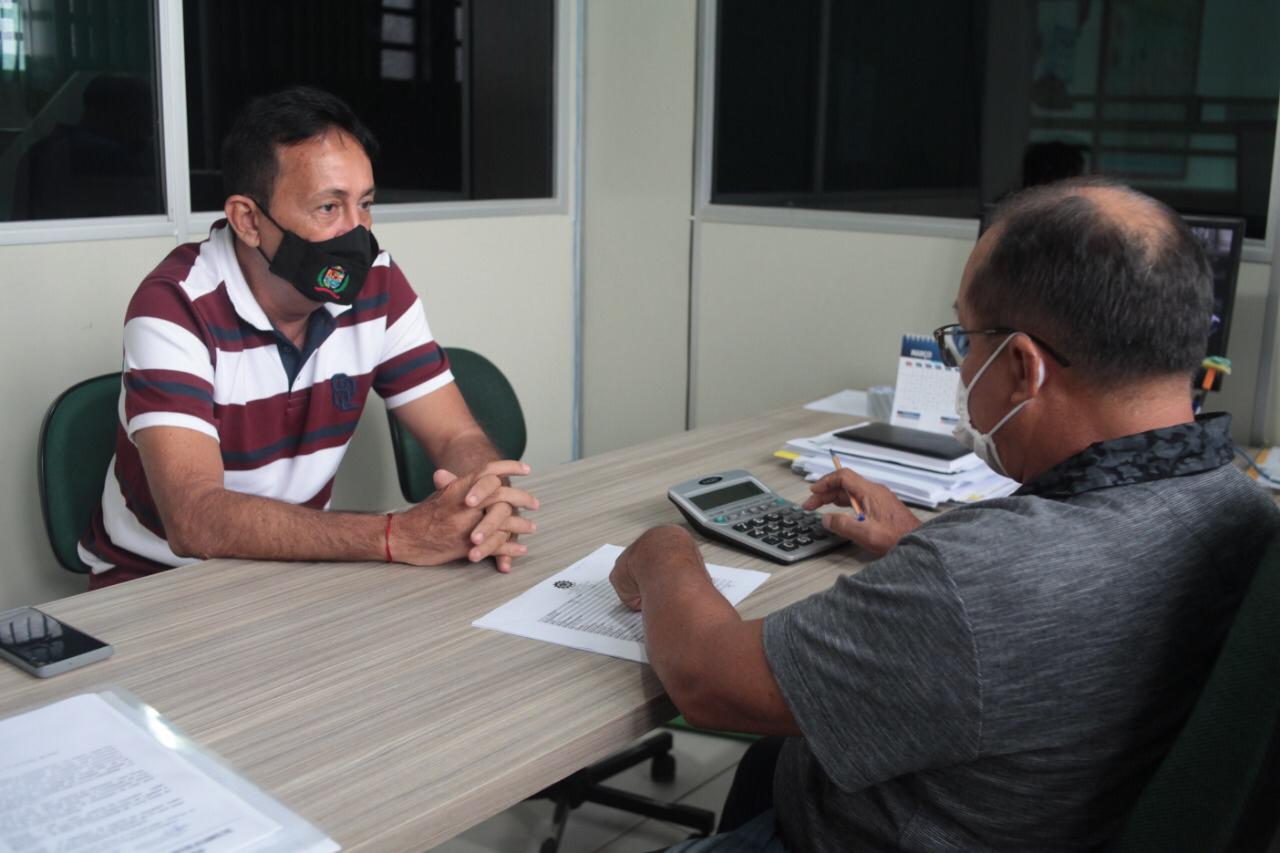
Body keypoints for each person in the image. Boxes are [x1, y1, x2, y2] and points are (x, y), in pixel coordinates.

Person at [610, 177, 1280, 851]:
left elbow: (708, 679)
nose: (961, 369)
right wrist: (921, 542)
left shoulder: (988, 577)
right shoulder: (1244, 508)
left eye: (967, 340)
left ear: (1023, 367)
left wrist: (663, 550)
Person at [80, 86, 536, 588]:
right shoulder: (175, 305)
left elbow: (457, 436)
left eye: (364, 204)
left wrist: (485, 499)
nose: (356, 233)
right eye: (328, 208)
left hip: (295, 574)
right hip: (157, 586)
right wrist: (394, 536)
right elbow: (195, 519)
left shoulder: (377, 284)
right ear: (249, 220)